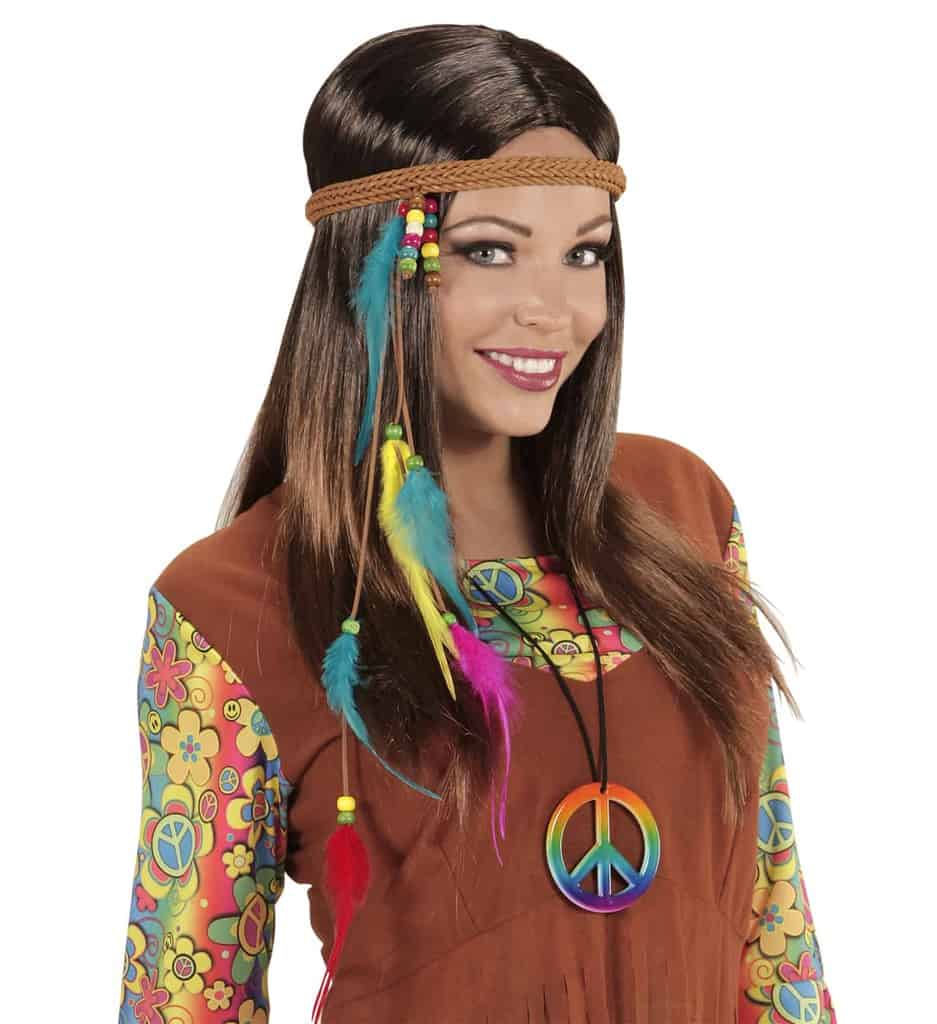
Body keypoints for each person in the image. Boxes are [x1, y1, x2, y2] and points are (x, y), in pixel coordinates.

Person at [116, 23, 837, 1024]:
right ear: (377, 265)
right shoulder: (230, 603)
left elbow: (775, 929)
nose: (556, 310)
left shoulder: (682, 510)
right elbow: (184, 999)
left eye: (583, 253)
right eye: (490, 250)